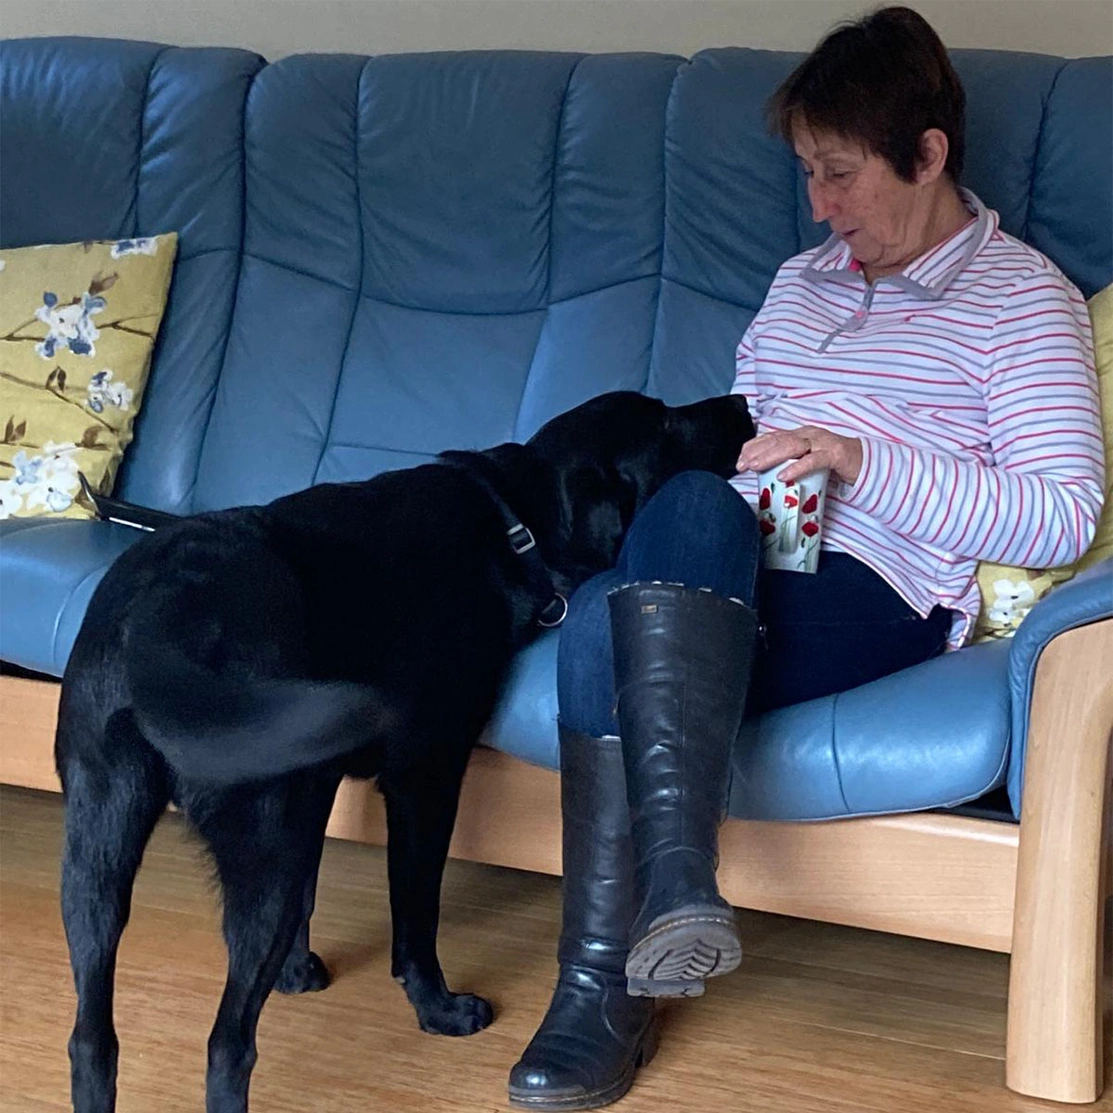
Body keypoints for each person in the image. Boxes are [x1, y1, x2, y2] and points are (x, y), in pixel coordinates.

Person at [508, 7, 1104, 1110]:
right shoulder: (799, 286)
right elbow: (737, 454)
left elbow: (1060, 516)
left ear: (928, 155)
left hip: (874, 587)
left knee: (615, 612)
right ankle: (672, 897)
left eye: (840, 175)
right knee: (655, 543)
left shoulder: (1024, 302)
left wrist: (857, 460)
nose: (820, 207)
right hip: (726, 558)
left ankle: (601, 994)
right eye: (807, 176)